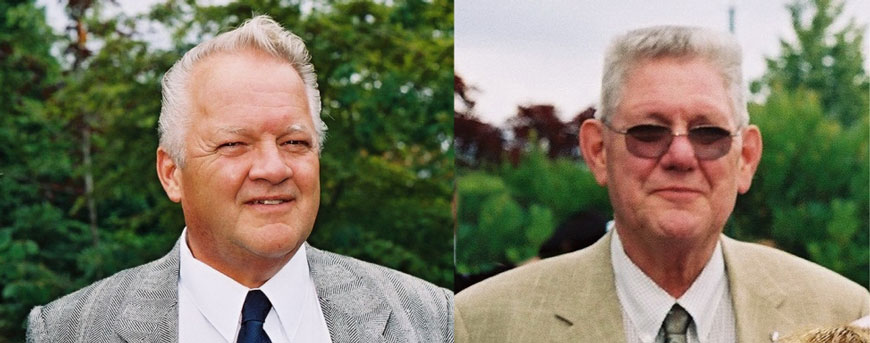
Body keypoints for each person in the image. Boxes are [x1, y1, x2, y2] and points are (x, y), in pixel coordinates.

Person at [26, 15, 453, 343]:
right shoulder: (68, 330)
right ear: (171, 174)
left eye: (294, 142)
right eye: (234, 145)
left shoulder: (433, 318)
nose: (273, 168)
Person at [455, 25, 869, 343]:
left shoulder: (843, 312)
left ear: (746, 158)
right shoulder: (481, 324)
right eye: (648, 132)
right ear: (598, 151)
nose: (681, 157)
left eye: (708, 133)